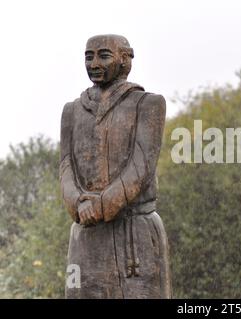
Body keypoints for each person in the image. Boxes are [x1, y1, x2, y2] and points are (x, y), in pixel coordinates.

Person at [60, 34, 171, 298]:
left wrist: (100, 205)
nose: (94, 63)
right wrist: (78, 203)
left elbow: (141, 166)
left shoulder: (148, 104)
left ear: (125, 59)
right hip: (85, 233)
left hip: (134, 233)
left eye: (103, 55)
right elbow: (66, 166)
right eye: (89, 56)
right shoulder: (71, 110)